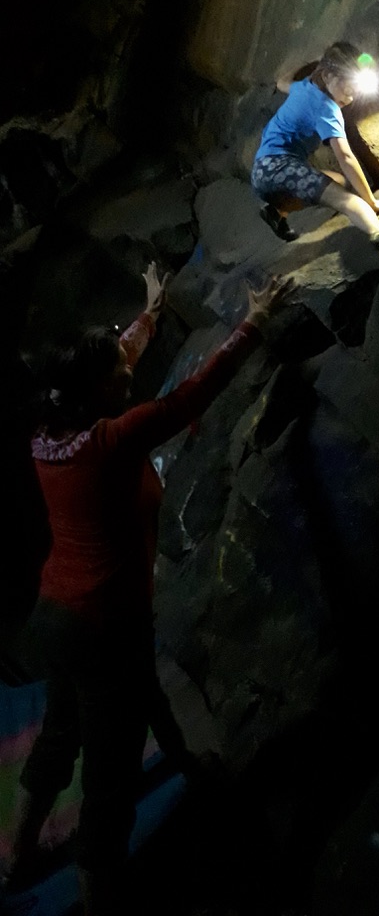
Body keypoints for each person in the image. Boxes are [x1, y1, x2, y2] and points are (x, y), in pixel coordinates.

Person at [7, 263, 293, 914]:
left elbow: (116, 359)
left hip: (55, 616)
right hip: (105, 626)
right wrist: (255, 321)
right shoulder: (114, 441)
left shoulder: (49, 432)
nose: (128, 372)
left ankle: (16, 856)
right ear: (95, 391)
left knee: (60, 732)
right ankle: (99, 897)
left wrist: (150, 313)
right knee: (110, 776)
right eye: (118, 372)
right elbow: (191, 395)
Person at [251, 41, 379, 259]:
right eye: (348, 89)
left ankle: (276, 212)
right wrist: (372, 201)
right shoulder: (327, 110)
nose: (350, 98)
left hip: (261, 170)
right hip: (280, 168)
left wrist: (314, 61)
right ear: (327, 76)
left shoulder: (303, 87)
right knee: (348, 200)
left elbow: (282, 82)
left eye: (354, 92)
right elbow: (346, 157)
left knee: (337, 181)